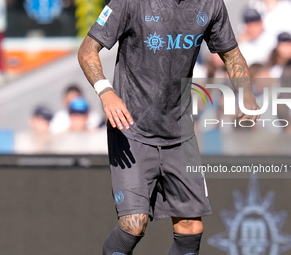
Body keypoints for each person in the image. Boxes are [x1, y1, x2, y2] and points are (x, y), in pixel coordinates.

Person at [78, 0, 260, 253]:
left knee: (191, 228)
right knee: (134, 224)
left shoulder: (211, 4)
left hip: (180, 133)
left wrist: (247, 92)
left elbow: (231, 54)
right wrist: (105, 91)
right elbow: (87, 49)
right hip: (132, 129)